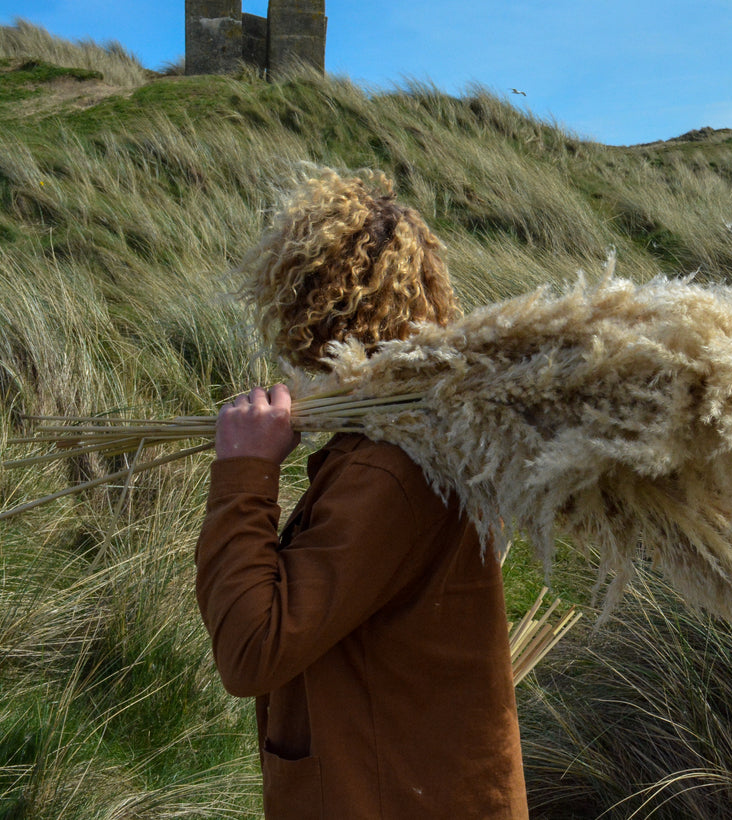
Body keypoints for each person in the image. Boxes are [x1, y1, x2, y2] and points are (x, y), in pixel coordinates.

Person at [194, 168, 528, 819]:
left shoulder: (391, 463)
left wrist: (244, 474)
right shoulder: (410, 433)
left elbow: (251, 650)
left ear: (306, 309)